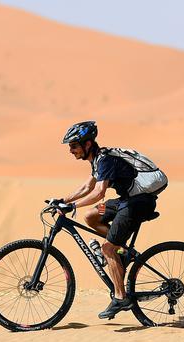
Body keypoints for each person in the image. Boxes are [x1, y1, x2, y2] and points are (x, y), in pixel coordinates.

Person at [57, 120, 159, 319]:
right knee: (91, 215)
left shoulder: (105, 160)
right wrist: (62, 200)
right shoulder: (97, 161)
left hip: (138, 203)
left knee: (107, 248)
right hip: (124, 201)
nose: (71, 150)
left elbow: (98, 193)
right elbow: (86, 188)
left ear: (87, 144)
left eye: (74, 145)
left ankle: (121, 297)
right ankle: (122, 252)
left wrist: (72, 207)